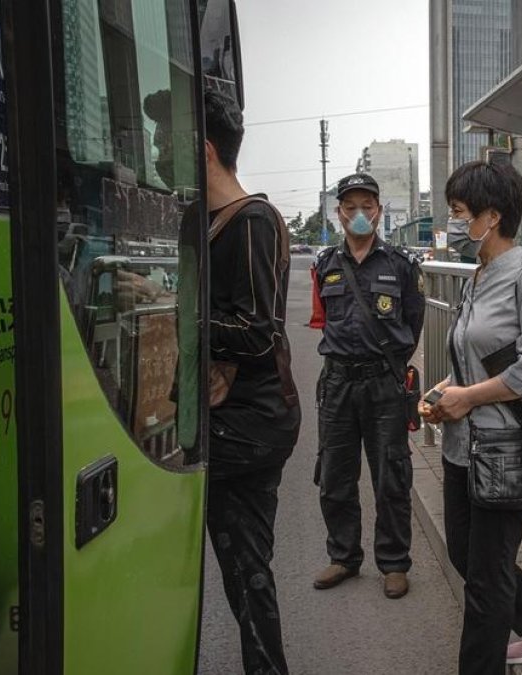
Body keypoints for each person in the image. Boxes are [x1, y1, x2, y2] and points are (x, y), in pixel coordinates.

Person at [419, 161, 522, 673]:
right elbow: (471, 352)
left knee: (487, 581)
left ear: (492, 215)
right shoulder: (478, 277)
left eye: (461, 212)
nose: (455, 222)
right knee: (469, 558)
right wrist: (444, 390)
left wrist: (467, 398)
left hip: (506, 447)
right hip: (463, 447)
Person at [202, 90, 301, 675]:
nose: (162, 149)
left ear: (206, 150)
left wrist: (174, 313)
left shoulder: (252, 220)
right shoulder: (213, 221)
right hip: (242, 414)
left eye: (170, 139)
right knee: (244, 564)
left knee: (245, 564)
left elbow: (260, 332)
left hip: (251, 419)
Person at [311, 172, 425, 599]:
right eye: (350, 207)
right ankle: (343, 556)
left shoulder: (400, 264)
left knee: (391, 477)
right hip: (338, 383)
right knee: (335, 476)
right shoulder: (326, 264)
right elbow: (323, 316)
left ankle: (394, 562)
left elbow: (413, 323)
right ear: (339, 214)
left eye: (367, 206)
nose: (359, 214)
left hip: (383, 384)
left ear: (379, 212)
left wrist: (390, 365)